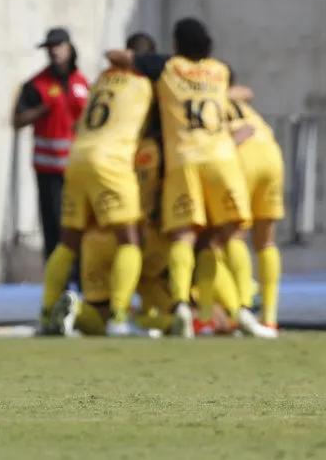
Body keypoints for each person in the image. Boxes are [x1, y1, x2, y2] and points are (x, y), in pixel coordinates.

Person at [104, 17, 273, 339]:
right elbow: (240, 93)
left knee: (184, 236)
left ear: (177, 44)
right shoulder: (219, 71)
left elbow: (116, 55)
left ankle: (181, 304)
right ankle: (245, 311)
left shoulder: (168, 67)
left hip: (183, 161)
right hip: (221, 158)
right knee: (231, 235)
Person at [39, 32, 155, 337]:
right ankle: (118, 317)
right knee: (130, 239)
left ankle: (47, 312)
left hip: (76, 155)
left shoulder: (101, 80)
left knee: (68, 242)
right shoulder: (146, 83)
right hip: (111, 160)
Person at [13, 27, 90, 262]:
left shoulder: (83, 83)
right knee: (53, 224)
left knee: (79, 224)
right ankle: (57, 279)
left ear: (69, 48)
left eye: (58, 47)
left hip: (78, 168)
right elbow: (18, 120)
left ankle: (80, 277)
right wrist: (41, 111)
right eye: (50, 48)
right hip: (49, 170)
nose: (54, 52)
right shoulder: (36, 85)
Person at [227, 96, 283, 333]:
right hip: (271, 154)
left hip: (240, 154)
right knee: (266, 240)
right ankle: (270, 317)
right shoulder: (240, 100)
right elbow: (244, 91)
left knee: (230, 237)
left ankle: (243, 307)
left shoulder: (201, 94)